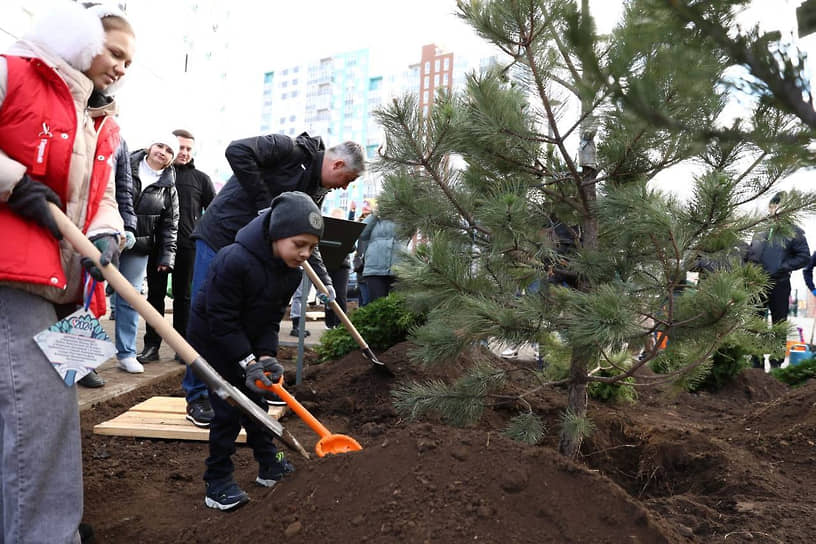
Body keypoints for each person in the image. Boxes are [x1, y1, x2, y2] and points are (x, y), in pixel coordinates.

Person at [0, 4, 135, 542]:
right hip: (17, 275)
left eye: (131, 61)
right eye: (116, 53)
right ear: (78, 40)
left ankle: (49, 527)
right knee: (33, 418)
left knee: (57, 414)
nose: (123, 67)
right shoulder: (14, 73)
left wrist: (108, 233)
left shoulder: (101, 122)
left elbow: (97, 200)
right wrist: (14, 181)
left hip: (68, 286)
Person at [187, 191, 323, 511]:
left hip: (244, 336)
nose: (305, 253)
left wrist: (265, 356)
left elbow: (270, 318)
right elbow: (221, 321)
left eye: (312, 247)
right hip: (212, 339)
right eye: (299, 244)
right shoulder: (234, 259)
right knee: (229, 409)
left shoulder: (290, 271)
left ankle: (270, 462)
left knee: (258, 402)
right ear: (277, 233)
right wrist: (247, 360)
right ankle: (217, 481)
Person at [190, 132, 364, 361]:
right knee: (205, 315)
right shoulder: (289, 150)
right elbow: (237, 150)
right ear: (338, 164)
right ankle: (197, 391)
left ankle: (233, 381)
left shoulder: (313, 192)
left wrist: (325, 281)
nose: (344, 188)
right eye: (348, 180)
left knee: (236, 322)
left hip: (251, 254)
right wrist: (264, 203)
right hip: (221, 234)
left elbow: (308, 240)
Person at [114, 135, 179, 373]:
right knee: (93, 298)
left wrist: (166, 256)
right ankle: (85, 357)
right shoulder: (126, 165)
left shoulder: (169, 185)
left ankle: (127, 353)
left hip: (139, 248)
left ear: (171, 159)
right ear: (150, 146)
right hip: (110, 237)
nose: (162, 151)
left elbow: (170, 223)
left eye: (168, 150)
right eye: (160, 145)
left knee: (130, 299)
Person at [79, 136, 138, 388]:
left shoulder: (116, 139)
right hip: (55, 223)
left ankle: (82, 364)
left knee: (87, 298)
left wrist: (123, 226)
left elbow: (119, 188)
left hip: (96, 226)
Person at [744, 192, 810, 368]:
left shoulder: (793, 231)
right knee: (754, 321)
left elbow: (804, 256)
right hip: (757, 284)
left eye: (778, 205)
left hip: (779, 283)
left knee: (779, 323)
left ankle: (776, 362)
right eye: (772, 205)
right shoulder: (760, 229)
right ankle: (754, 359)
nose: (774, 209)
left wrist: (782, 266)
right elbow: (752, 252)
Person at [356, 205, 404, 303]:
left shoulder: (403, 216)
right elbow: (361, 233)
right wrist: (374, 214)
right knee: (377, 304)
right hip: (375, 268)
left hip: (398, 268)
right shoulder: (374, 219)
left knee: (398, 305)